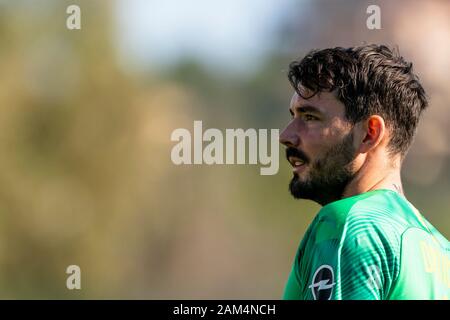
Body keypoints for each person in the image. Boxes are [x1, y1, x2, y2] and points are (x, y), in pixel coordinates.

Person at [280, 44, 449, 300]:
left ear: (369, 133)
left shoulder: (352, 225)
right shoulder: (440, 249)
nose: (287, 136)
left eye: (310, 117)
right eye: (293, 115)